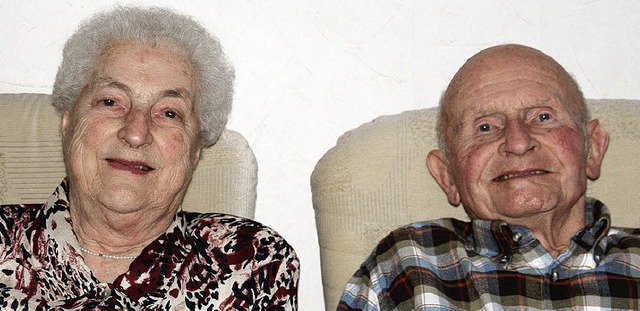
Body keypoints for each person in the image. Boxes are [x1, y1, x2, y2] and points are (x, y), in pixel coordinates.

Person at [0, 6, 299, 310]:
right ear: (68, 125)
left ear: (195, 150)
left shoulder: (251, 262)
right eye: (111, 101)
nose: (136, 133)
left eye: (169, 112)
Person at [338, 44, 640, 310]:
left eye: (543, 117)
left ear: (593, 149)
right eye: (485, 127)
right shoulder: (408, 264)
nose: (519, 142)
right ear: (447, 176)